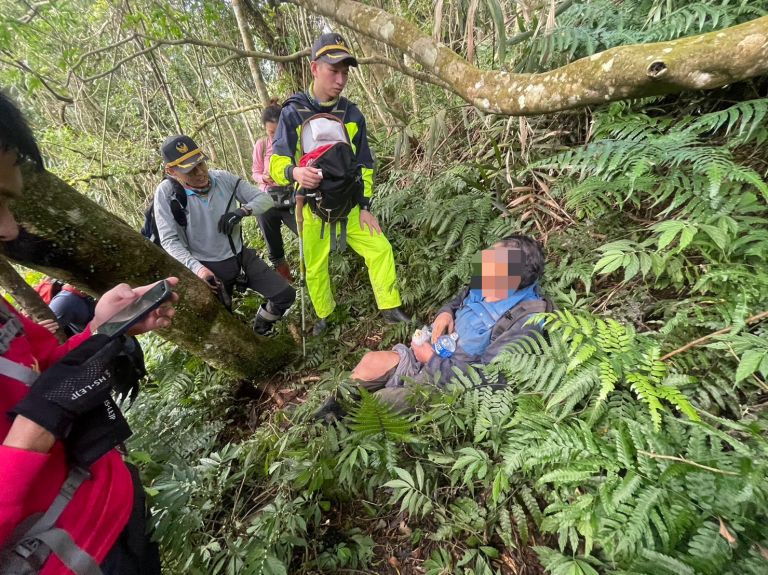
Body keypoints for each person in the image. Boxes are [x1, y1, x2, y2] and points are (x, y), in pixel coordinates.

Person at [0, 91, 177, 573]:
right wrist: (38, 425)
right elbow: (41, 409)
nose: (11, 230)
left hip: (116, 519)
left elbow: (44, 375)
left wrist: (101, 330)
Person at [269, 32, 410, 335]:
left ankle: (390, 307)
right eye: (334, 70)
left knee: (380, 248)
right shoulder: (293, 113)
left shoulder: (352, 113)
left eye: (345, 73)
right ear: (314, 68)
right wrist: (295, 172)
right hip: (312, 207)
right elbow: (276, 162)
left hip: (349, 204)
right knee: (315, 267)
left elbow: (365, 165)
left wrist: (365, 205)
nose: (341, 79)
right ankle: (325, 316)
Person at [317, 235, 551, 417]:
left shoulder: (524, 319)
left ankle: (345, 426)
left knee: (382, 403)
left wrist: (431, 359)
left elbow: (488, 377)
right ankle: (327, 410)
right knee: (371, 362)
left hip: (449, 384)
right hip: (430, 353)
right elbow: (458, 301)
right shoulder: (488, 282)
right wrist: (445, 313)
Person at [154, 134, 296, 335]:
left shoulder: (223, 179)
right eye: (190, 170)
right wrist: (198, 269)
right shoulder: (167, 194)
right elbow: (169, 240)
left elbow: (264, 199)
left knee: (285, 294)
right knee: (223, 320)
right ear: (171, 171)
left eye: (201, 164)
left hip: (239, 256)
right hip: (206, 266)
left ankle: (261, 326)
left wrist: (242, 211)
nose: (200, 173)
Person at [252, 101, 298, 282]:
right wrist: (263, 178)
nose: (275, 136)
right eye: (271, 132)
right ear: (265, 129)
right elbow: (254, 172)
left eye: (278, 131)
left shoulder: (293, 143)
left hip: (290, 197)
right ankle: (286, 281)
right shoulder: (261, 145)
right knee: (274, 246)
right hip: (267, 200)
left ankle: (312, 273)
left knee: (305, 233)